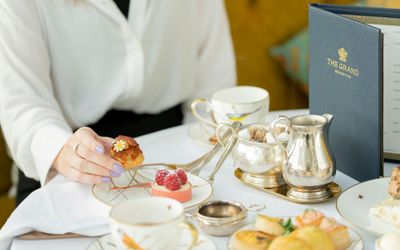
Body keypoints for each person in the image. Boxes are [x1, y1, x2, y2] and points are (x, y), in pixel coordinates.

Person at [0, 0, 236, 205]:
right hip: (67, 157)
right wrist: (62, 151)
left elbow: (214, 80)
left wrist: (199, 155)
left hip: (177, 141)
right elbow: (22, 104)